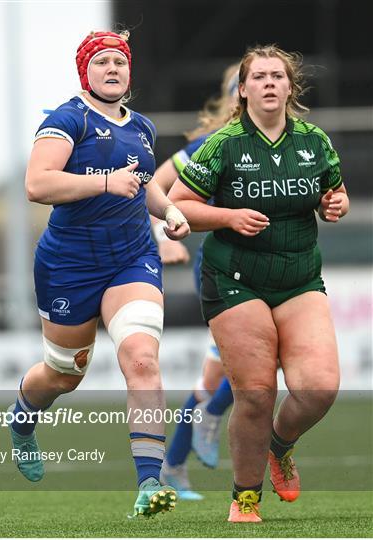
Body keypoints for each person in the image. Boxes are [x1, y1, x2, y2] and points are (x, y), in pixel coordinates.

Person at [7, 29, 190, 519]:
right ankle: (22, 421)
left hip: (131, 258)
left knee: (143, 359)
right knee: (65, 374)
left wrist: (167, 209)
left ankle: (150, 484)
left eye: (120, 62)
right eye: (102, 62)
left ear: (130, 72)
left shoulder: (144, 127)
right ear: (84, 72)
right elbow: (36, 183)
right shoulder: (69, 118)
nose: (113, 69)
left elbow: (143, 183)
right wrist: (104, 182)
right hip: (68, 264)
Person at [169, 44, 349, 522]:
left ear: (290, 88)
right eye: (260, 76)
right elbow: (177, 203)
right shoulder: (223, 143)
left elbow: (336, 192)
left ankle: (279, 445)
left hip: (299, 279)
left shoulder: (314, 140)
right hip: (234, 279)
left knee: (319, 389)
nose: (270, 83)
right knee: (255, 392)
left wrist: (336, 205)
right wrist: (227, 214)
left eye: (278, 76)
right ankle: (244, 499)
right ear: (243, 89)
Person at [151, 64, 241, 500]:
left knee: (214, 376)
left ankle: (172, 464)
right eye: (250, 83)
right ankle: (211, 416)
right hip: (222, 265)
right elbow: (155, 185)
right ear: (236, 96)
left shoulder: (293, 141)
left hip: (270, 266)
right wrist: (161, 234)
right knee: (253, 359)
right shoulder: (213, 144)